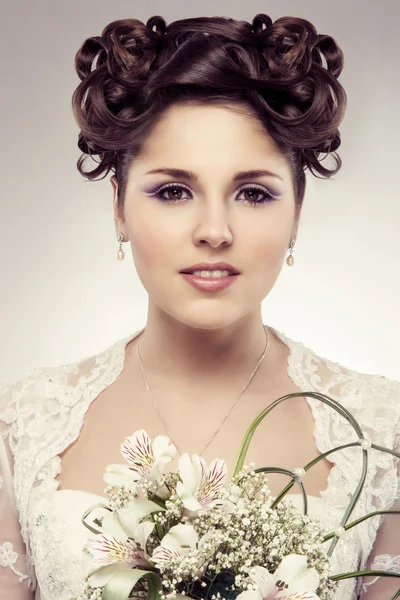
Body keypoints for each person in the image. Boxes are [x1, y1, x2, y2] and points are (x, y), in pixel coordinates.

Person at [0, 12, 399, 600]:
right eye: (173, 191)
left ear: (297, 210)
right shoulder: (27, 426)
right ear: (118, 207)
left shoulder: (380, 434)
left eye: (253, 193)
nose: (214, 230)